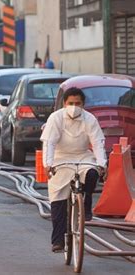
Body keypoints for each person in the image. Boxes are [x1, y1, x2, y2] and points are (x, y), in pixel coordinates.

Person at [40, 87, 107, 253]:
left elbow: (98, 143)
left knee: (92, 173)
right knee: (58, 197)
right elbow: (49, 143)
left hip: (83, 156)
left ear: (83, 104)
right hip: (60, 158)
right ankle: (58, 241)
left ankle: (87, 201)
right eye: (70, 103)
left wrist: (102, 164)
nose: (74, 106)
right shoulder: (55, 118)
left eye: (78, 103)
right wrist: (48, 164)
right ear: (64, 103)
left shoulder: (90, 119)